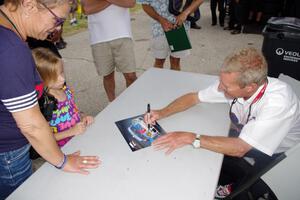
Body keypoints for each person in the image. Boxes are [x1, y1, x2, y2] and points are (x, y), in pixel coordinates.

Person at [144, 48, 300, 198]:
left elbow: (240, 148)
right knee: (204, 152)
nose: (219, 88)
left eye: (225, 86)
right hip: (245, 133)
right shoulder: (237, 83)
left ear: (249, 87)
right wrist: (161, 112)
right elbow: (193, 97)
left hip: (278, 149)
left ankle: (232, 189)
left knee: (248, 185)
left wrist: (190, 137)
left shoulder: (278, 103)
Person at [0, 0, 100, 199]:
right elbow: (32, 126)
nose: (59, 28)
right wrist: (62, 161)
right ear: (29, 5)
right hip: (9, 154)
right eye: (57, 20)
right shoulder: (10, 50)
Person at [32, 47, 94, 147]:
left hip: (79, 138)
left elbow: (74, 111)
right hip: (64, 149)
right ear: (41, 79)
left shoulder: (65, 89)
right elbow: (44, 138)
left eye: (61, 72)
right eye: (54, 77)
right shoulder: (44, 104)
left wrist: (83, 117)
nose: (62, 79)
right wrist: (71, 131)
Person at [82, 0, 137, 102]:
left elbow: (131, 3)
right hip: (99, 38)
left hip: (123, 34)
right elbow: (87, 9)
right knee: (107, 75)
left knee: (131, 76)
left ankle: (133, 103)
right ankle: (111, 103)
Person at [138, 0, 203, 70]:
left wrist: (185, 13)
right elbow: (145, 4)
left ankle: (175, 81)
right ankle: (157, 80)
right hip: (159, 29)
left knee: (176, 61)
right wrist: (161, 20)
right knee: (159, 61)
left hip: (180, 27)